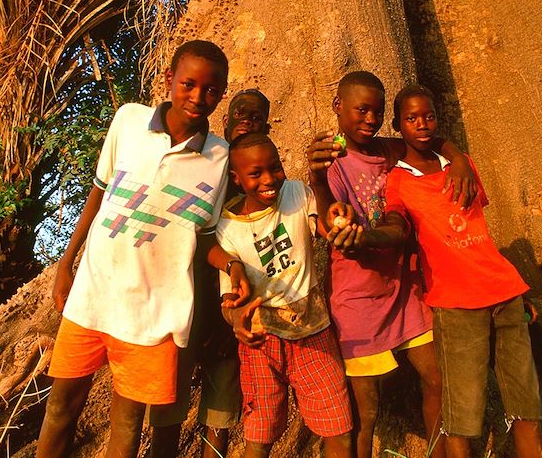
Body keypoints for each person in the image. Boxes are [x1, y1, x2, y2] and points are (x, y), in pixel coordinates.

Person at [37, 40, 250, 458]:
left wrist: (232, 264)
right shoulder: (128, 121)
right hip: (94, 294)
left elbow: (203, 235)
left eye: (211, 90)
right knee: (61, 407)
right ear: (169, 79)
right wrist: (67, 262)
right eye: (188, 84)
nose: (198, 97)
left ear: (222, 93)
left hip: (155, 312)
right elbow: (97, 195)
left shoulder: (220, 156)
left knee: (128, 425)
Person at [339, 84, 542, 458]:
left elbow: (478, 234)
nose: (422, 124)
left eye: (429, 116)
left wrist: (459, 158)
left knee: (527, 406)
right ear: (397, 127)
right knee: (461, 413)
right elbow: (396, 227)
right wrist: (366, 237)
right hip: (454, 304)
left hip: (504, 294)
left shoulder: (461, 165)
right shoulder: (398, 181)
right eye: (411, 118)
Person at [307, 71, 476, 458]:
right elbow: (332, 222)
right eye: (361, 109)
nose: (370, 118)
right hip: (358, 299)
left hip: (405, 289)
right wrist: (317, 180)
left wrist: (458, 160)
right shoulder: (331, 161)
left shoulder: (388, 150)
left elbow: (430, 140)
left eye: (377, 111)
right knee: (366, 411)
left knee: (436, 378)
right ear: (338, 107)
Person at [148, 88, 272, 458]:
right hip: (183, 312)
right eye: (240, 114)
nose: (247, 121)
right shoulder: (207, 169)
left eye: (256, 117)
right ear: (225, 122)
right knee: (168, 413)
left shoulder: (267, 185)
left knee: (219, 417)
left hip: (231, 324)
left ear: (267, 126)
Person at [218, 133, 353, 458]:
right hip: (262, 346)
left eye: (275, 167)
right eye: (255, 173)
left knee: (339, 429)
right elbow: (228, 301)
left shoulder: (295, 192)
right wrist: (238, 321)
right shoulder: (226, 228)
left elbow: (325, 227)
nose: (269, 179)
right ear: (236, 179)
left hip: (314, 333)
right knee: (260, 435)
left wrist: (320, 182)